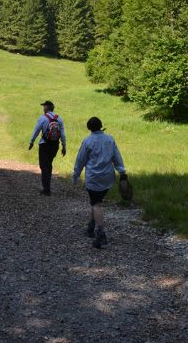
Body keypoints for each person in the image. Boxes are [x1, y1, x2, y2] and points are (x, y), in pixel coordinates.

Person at [72, 117, 127, 248]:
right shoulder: (110, 139)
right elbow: (117, 157)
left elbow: (80, 160)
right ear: (101, 125)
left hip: (93, 178)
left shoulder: (87, 141)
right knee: (96, 201)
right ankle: (91, 226)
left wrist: (75, 176)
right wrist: (122, 172)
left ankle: (101, 233)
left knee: (96, 204)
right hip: (107, 178)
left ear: (89, 127)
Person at [27, 100, 67, 196]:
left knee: (44, 166)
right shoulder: (59, 119)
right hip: (55, 145)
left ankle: (46, 189)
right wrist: (64, 146)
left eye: (44, 106)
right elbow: (63, 134)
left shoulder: (43, 118)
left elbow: (36, 130)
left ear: (47, 108)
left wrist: (31, 142)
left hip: (44, 144)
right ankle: (47, 186)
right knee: (48, 164)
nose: (43, 108)